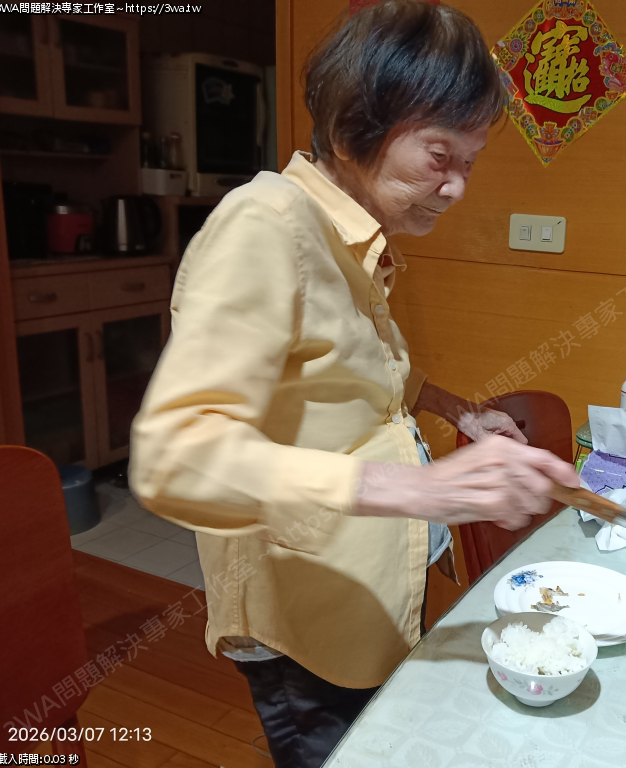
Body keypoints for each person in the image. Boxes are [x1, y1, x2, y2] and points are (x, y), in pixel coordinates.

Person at [129, 3, 579, 765]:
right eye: (439, 155)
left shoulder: (353, 237)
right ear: (351, 128)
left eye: (470, 161)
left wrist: (459, 413)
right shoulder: (267, 225)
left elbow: (361, 372)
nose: (456, 188)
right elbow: (175, 457)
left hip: (365, 591)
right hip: (304, 614)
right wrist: (423, 490)